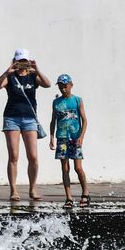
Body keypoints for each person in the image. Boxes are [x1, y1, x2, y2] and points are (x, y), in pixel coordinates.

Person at [0, 49, 50, 202]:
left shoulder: (33, 76)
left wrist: (37, 70)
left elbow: (47, 84)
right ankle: (13, 190)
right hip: (12, 118)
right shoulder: (10, 77)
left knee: (33, 156)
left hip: (30, 119)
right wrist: (7, 72)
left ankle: (32, 188)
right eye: (19, 61)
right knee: (14, 156)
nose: (22, 64)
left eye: (25, 61)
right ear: (15, 61)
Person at [49, 74, 89, 207]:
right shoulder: (56, 102)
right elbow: (53, 120)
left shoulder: (77, 100)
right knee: (65, 168)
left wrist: (81, 137)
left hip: (74, 137)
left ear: (71, 85)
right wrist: (51, 137)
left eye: (65, 86)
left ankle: (85, 193)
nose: (63, 89)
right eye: (61, 86)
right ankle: (69, 197)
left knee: (78, 167)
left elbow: (84, 120)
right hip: (62, 137)